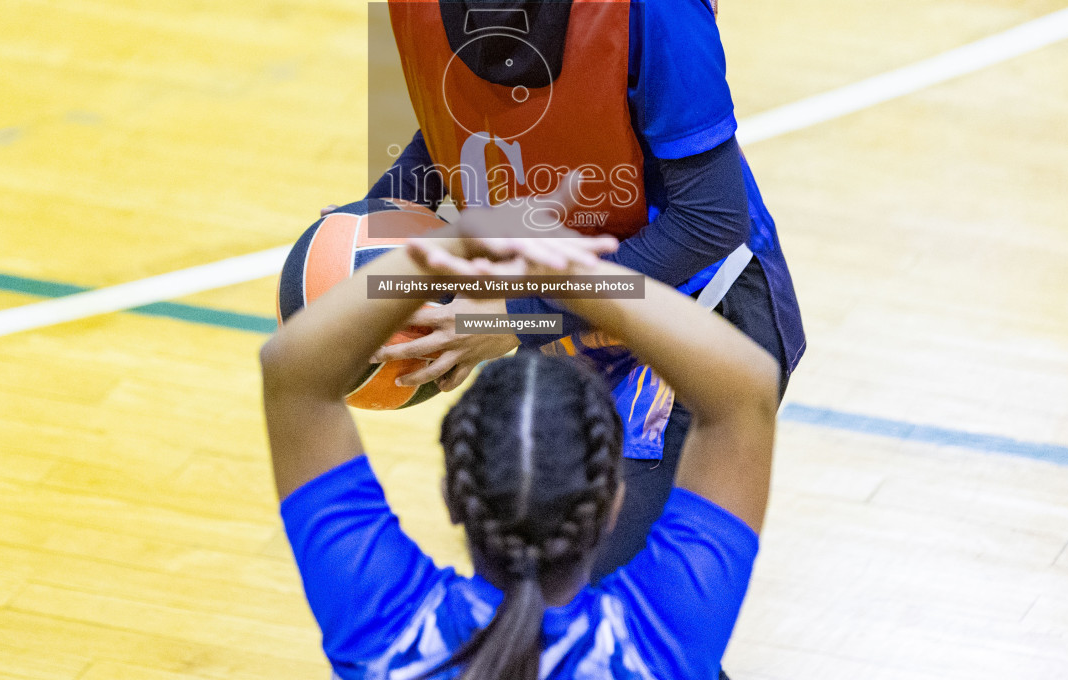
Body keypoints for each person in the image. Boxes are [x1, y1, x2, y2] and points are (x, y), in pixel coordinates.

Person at [361, 0, 805, 579]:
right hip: (561, 309)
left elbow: (708, 221)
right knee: (537, 582)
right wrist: (370, 248)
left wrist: (509, 320)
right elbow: (441, 134)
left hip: (693, 311)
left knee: (599, 592)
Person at [262, 183, 780, 679]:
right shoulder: (656, 643)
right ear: (614, 506)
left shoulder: (387, 630)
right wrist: (571, 276)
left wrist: (455, 242)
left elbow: (294, 374)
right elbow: (743, 393)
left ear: (451, 499)